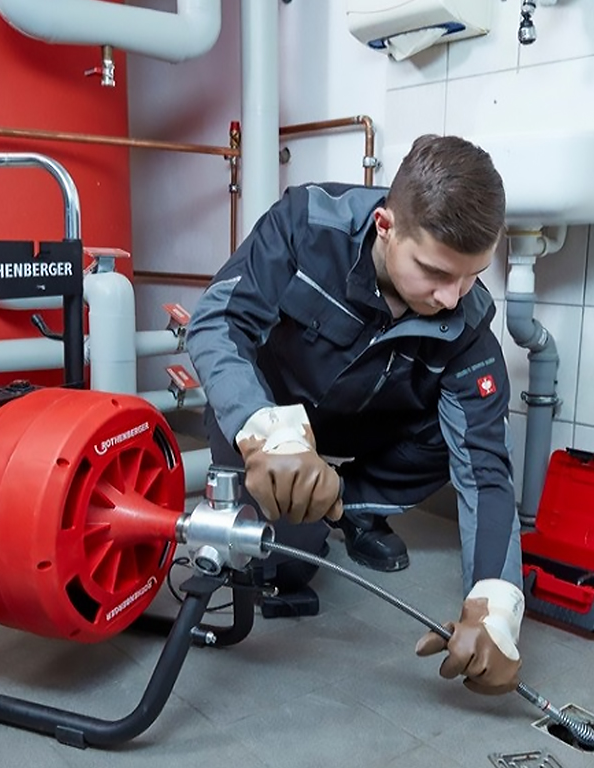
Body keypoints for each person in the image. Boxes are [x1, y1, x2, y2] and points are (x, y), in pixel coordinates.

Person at [186, 134, 524, 693]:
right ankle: (302, 512)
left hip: (363, 434)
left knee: (462, 433)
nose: (452, 297)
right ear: (386, 227)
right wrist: (265, 431)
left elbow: (487, 469)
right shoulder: (307, 225)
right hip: (271, 423)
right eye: (435, 272)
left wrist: (497, 604)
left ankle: (346, 506)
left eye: (472, 275)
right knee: (280, 564)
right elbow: (218, 322)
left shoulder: (467, 322)